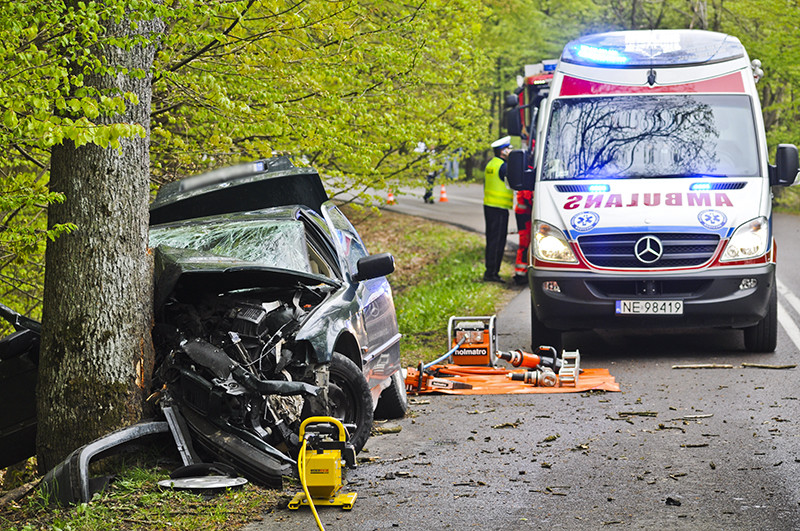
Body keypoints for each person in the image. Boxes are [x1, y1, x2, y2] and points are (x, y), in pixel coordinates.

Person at [483, 136, 514, 283]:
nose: (510, 151)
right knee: (498, 241)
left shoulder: (491, 164)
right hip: (499, 208)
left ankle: (490, 270)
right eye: (509, 149)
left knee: (491, 239)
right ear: (503, 151)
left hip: (489, 206)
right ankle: (492, 274)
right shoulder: (504, 166)